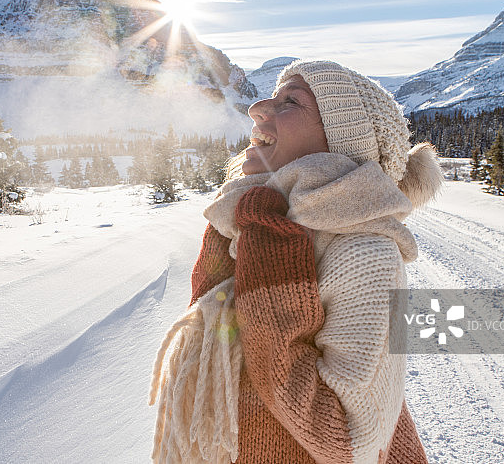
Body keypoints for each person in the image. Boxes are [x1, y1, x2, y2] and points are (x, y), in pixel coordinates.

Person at [151, 60, 442, 463]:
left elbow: (352, 439)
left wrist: (272, 288)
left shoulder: (363, 252)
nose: (258, 108)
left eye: (291, 101)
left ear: (341, 140)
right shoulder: (246, 224)